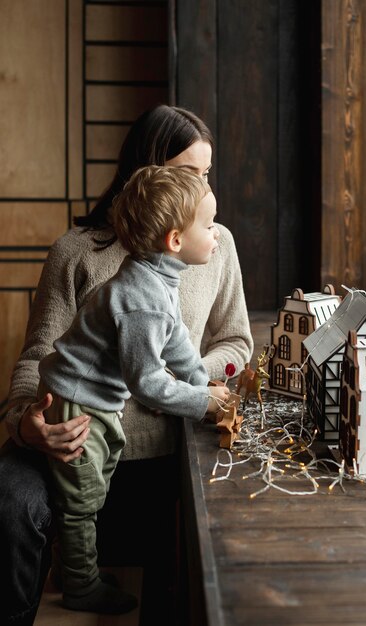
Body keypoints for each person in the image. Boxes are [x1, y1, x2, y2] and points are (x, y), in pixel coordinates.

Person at [0, 104, 253, 625]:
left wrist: (197, 384)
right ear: (148, 174)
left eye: (207, 175)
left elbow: (233, 343)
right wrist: (27, 422)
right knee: (16, 499)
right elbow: (37, 356)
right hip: (78, 425)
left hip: (172, 445)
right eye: (189, 176)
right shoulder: (78, 252)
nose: (205, 193)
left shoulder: (214, 242)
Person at [37, 165, 230, 614]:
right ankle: (80, 588)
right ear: (176, 241)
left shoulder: (156, 278)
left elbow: (178, 342)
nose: (217, 233)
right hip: (75, 403)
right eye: (208, 224)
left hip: (92, 398)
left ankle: (72, 572)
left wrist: (204, 382)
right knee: (82, 500)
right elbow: (148, 383)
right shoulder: (142, 298)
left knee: (91, 489)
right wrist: (202, 403)